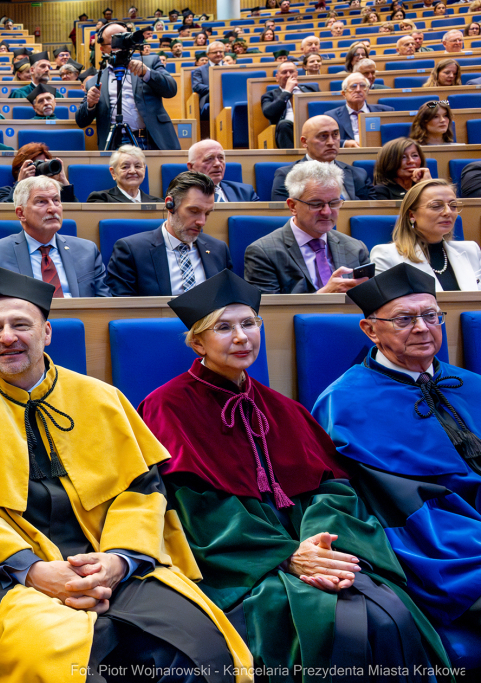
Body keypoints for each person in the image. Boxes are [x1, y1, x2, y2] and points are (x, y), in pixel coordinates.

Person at [0, 266, 252, 683]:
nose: (8, 337)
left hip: (110, 556)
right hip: (11, 576)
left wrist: (119, 559)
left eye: (21, 324)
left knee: (197, 648)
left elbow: (142, 491)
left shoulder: (102, 399)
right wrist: (33, 570)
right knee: (58, 660)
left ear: (46, 333)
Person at [139, 270, 450, 677]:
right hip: (245, 563)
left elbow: (332, 488)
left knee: (386, 610)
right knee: (315, 620)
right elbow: (191, 509)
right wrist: (288, 557)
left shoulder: (283, 408)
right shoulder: (168, 407)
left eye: (250, 324)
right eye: (224, 328)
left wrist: (319, 545)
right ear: (197, 342)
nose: (241, 338)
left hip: (313, 545)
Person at [312, 264, 481, 669]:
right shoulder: (346, 403)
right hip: (434, 539)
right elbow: (390, 498)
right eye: (405, 319)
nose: (423, 328)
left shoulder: (470, 383)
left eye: (431, 315)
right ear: (370, 330)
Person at [247, 161, 370, 294]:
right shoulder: (263, 253)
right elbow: (268, 311)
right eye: (316, 204)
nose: (327, 212)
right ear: (293, 206)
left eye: (334, 203)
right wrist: (324, 295)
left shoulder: (356, 248)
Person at [0, 176, 108, 296]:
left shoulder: (87, 250)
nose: (52, 209)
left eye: (56, 200)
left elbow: (104, 305)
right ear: (21, 213)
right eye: (41, 202)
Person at [106, 171, 230, 297]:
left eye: (207, 213)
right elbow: (123, 309)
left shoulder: (218, 250)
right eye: (193, 211)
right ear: (170, 204)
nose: (202, 222)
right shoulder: (132, 251)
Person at [77, 23, 179, 151]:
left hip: (150, 139)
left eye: (125, 39)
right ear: (102, 49)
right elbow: (81, 121)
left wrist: (147, 73)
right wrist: (90, 105)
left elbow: (171, 90)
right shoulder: (93, 82)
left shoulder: (150, 62)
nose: (122, 46)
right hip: (115, 143)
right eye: (115, 42)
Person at [370, 179, 480, 291]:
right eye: (436, 206)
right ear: (412, 215)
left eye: (453, 205)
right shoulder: (386, 256)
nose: (448, 212)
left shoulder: (471, 250)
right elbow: (389, 306)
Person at [270, 116, 373, 201]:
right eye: (323, 136)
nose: (331, 142)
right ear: (304, 142)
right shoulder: (286, 175)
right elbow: (283, 215)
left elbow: (368, 213)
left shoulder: (359, 175)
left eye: (335, 134)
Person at [261, 61, 320, 150]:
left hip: (314, 125)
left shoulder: (312, 89)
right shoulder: (269, 95)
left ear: (296, 74)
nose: (288, 75)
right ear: (277, 77)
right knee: (284, 124)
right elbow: (269, 113)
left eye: (291, 72)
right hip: (288, 129)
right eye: (284, 72)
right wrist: (287, 91)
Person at [325, 73, 394, 148]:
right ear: (344, 93)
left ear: (367, 91)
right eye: (353, 86)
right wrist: (345, 143)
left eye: (362, 86)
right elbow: (327, 140)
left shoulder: (386, 111)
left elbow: (393, 138)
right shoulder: (331, 116)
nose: (358, 90)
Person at [0, 143, 77, 204]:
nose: (41, 169)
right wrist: (20, 183)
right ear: (21, 168)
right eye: (37, 164)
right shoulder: (5, 191)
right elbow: (6, 211)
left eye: (44, 164)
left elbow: (76, 213)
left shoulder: (54, 194)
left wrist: (63, 182)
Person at [186, 139, 258, 202]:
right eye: (209, 159)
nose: (217, 164)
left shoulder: (246, 193)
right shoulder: (179, 195)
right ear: (191, 167)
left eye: (220, 158)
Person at [191, 40, 225, 117]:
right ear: (208, 54)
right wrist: (214, 89)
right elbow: (196, 86)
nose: (218, 54)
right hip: (209, 99)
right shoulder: (200, 70)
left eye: (221, 52)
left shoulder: (230, 68)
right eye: (215, 52)